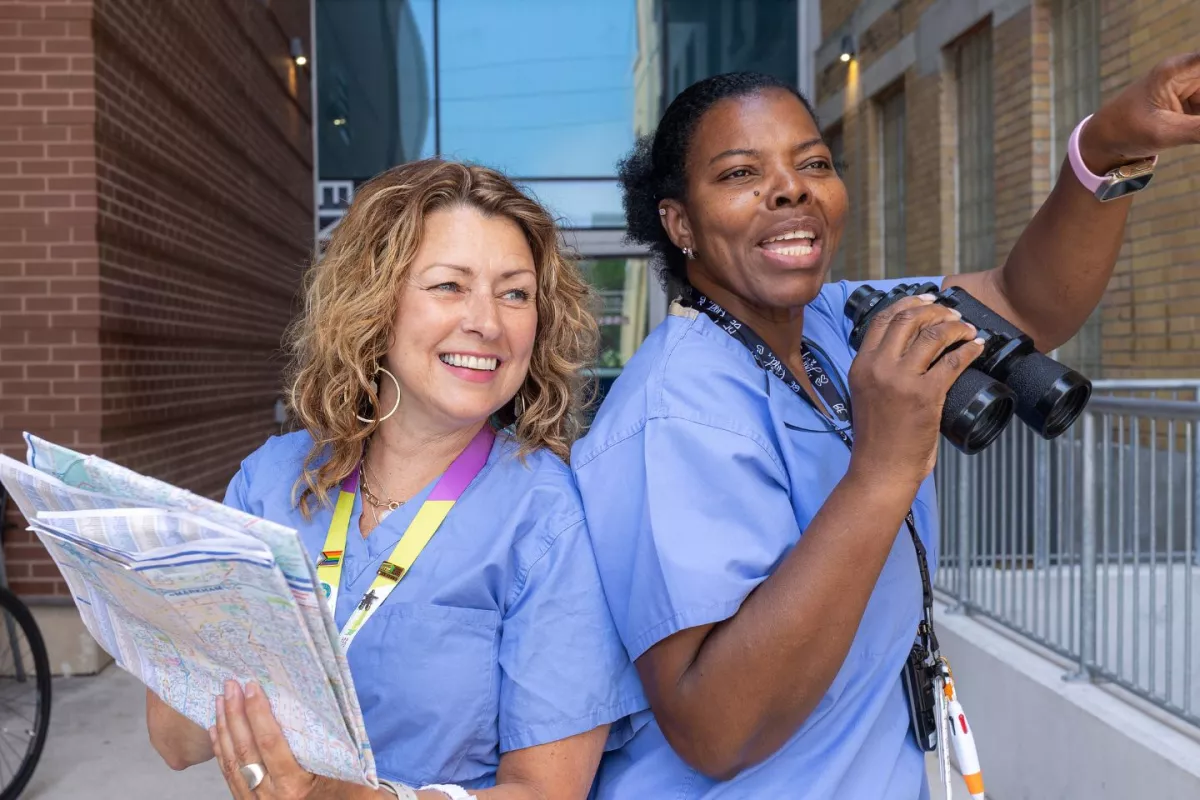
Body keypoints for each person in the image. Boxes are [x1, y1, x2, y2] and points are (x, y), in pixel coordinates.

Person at [572, 53, 1200, 799]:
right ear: (680, 222)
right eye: (740, 173)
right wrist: (883, 472)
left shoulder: (833, 320)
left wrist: (1105, 151)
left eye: (814, 163)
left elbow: (1025, 302)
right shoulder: (672, 414)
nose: (791, 188)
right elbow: (716, 728)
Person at [145, 159, 647, 799]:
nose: (487, 322)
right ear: (375, 302)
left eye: (515, 293)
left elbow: (545, 793)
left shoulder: (549, 518)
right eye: (449, 285)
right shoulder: (271, 481)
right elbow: (175, 740)